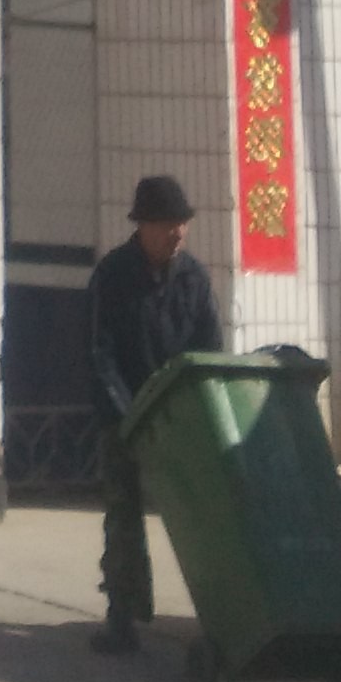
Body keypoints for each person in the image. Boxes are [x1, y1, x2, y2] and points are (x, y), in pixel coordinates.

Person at [87, 175, 221, 652]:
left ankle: (221, 613)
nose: (176, 233)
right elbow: (100, 355)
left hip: (181, 417)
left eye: (182, 223)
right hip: (125, 415)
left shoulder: (194, 279)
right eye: (167, 224)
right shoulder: (112, 276)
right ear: (142, 226)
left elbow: (209, 350)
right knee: (123, 515)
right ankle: (122, 615)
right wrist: (127, 417)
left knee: (206, 514)